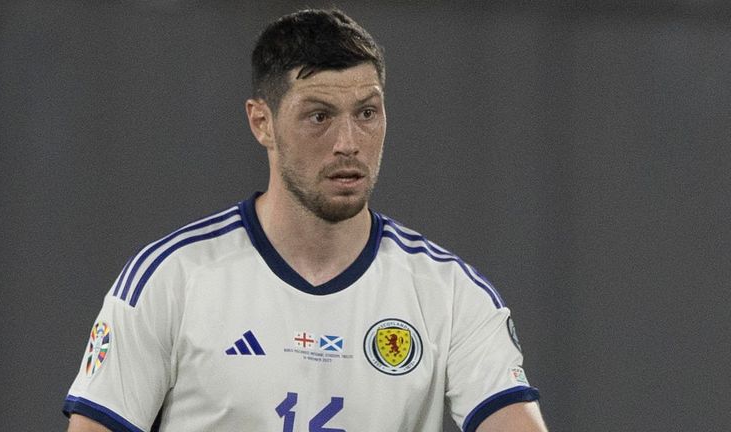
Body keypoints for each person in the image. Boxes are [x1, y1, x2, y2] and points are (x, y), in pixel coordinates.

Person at [64, 8, 547, 432]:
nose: (348, 143)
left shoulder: (450, 295)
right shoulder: (171, 280)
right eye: (319, 116)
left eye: (367, 113)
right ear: (262, 123)